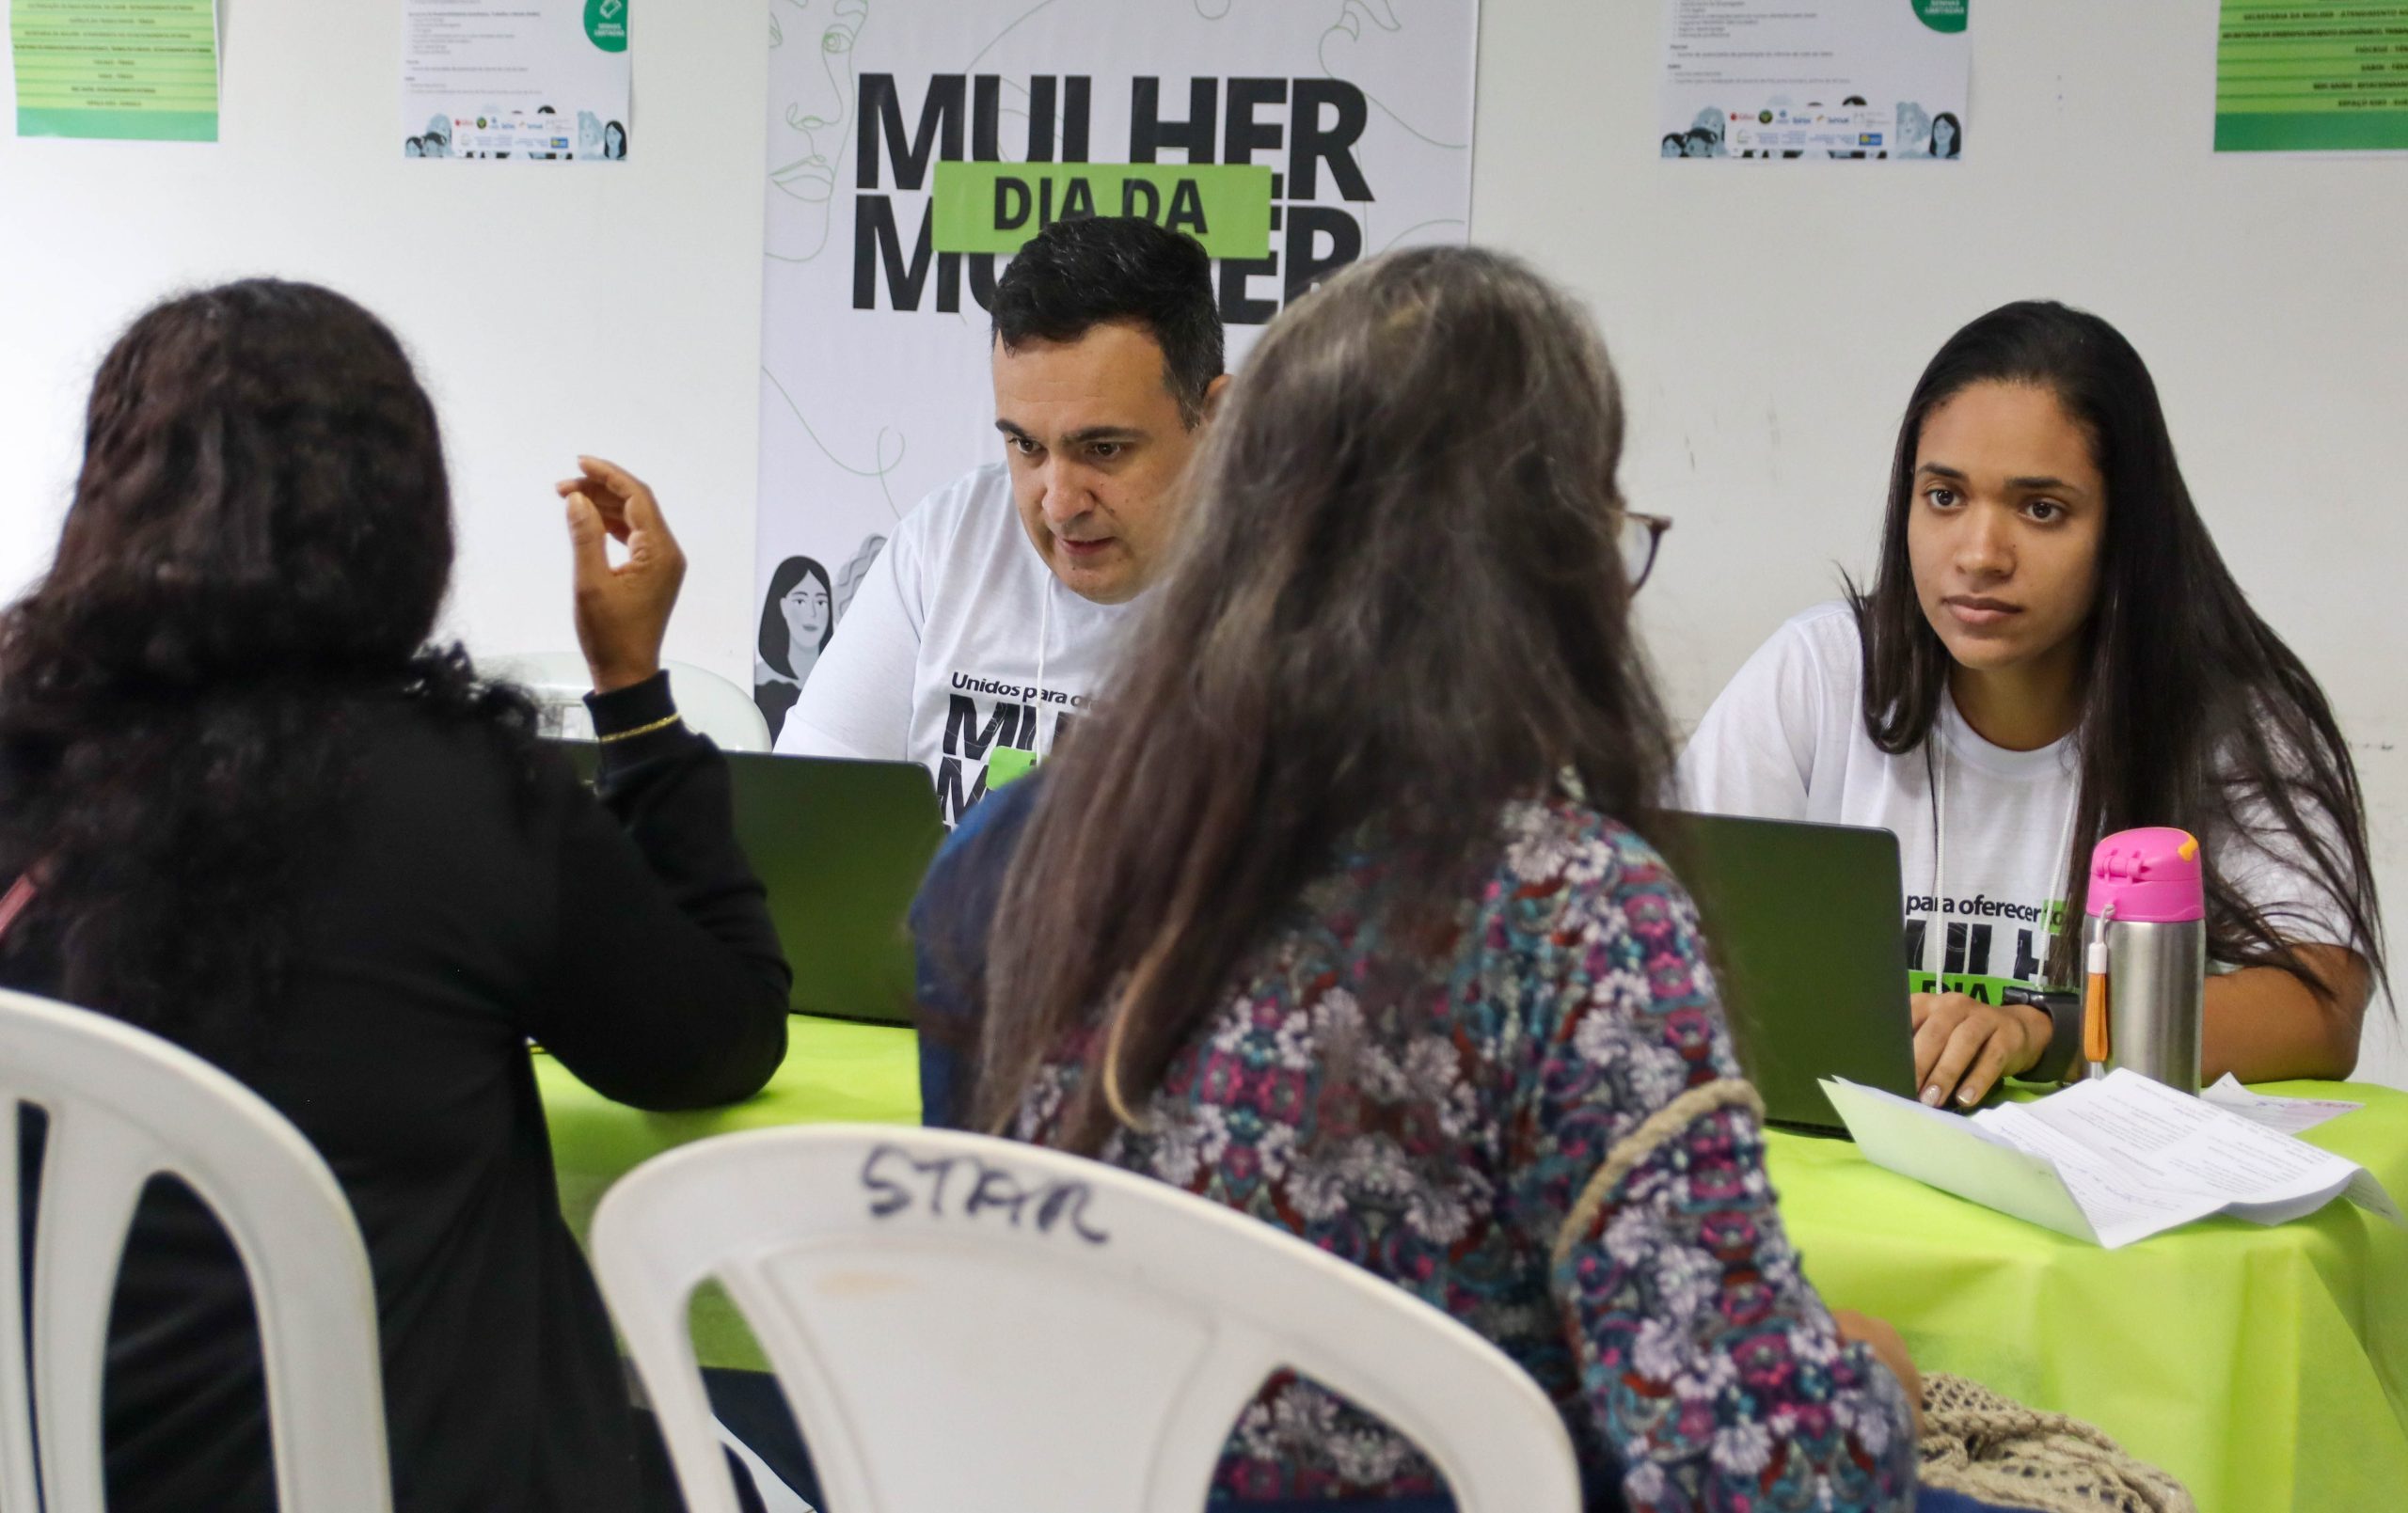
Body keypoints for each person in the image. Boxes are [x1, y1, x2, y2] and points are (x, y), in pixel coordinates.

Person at [911, 247, 1920, 1509]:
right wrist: (1872, 1385)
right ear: (1538, 568)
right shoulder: (1572, 916)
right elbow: (1762, 1481)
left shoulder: (1008, 856)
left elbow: (986, 1327)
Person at [0, 279, 789, 1511]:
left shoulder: (22, 762)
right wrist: (632, 689)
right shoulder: (467, 800)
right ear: (405, 519)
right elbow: (713, 1044)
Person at [1681, 300, 2384, 1110]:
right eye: (1944, 496)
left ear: (2124, 530)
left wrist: (2039, 1030)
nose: (1980, 555)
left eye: (2041, 509)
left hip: (2107, 1183)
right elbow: (1655, 935)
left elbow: (2321, 1010)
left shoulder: (2229, 712)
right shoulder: (1820, 670)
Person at [775, 214, 1229, 826]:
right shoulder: (948, 542)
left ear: (1216, 420)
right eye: (1026, 446)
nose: (1060, 504)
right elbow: (804, 813)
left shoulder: (1297, 593)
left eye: (1104, 449)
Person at [754, 554, 834, 742]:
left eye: (821, 602)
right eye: (800, 601)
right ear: (782, 606)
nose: (812, 613)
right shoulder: (763, 688)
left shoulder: (841, 686)